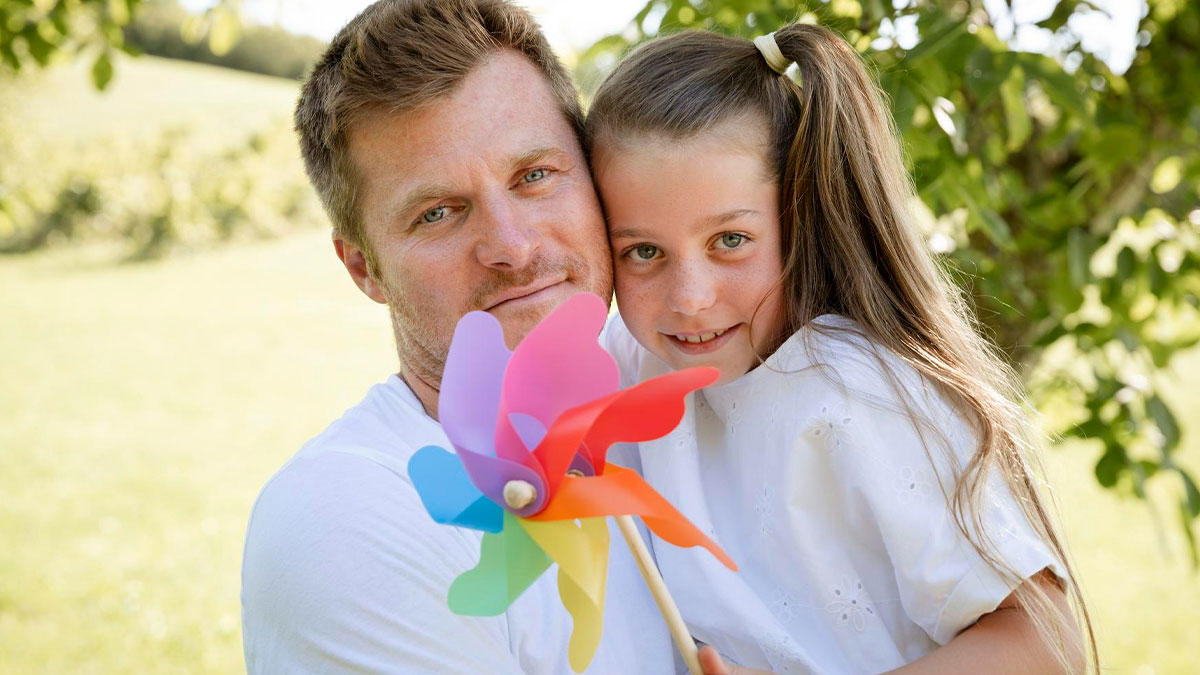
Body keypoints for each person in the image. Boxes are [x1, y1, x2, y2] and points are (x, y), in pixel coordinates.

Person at [586, 23, 1098, 674]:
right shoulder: (633, 359)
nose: (689, 296)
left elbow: (1047, 641)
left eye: (730, 240)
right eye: (644, 251)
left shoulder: (860, 390)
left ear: (798, 212)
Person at [240, 0, 680, 672]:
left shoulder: (688, 381)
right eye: (438, 212)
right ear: (363, 267)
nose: (512, 246)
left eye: (534, 175)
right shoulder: (344, 519)